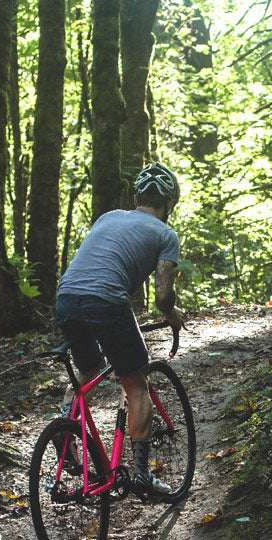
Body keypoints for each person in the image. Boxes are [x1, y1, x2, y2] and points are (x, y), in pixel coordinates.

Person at [54, 163, 186, 495]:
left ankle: (65, 429)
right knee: (135, 382)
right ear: (170, 203)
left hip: (66, 297)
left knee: (89, 369)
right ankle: (142, 475)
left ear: (136, 197)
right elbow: (163, 296)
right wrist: (172, 314)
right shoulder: (165, 235)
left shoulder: (108, 217)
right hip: (108, 301)